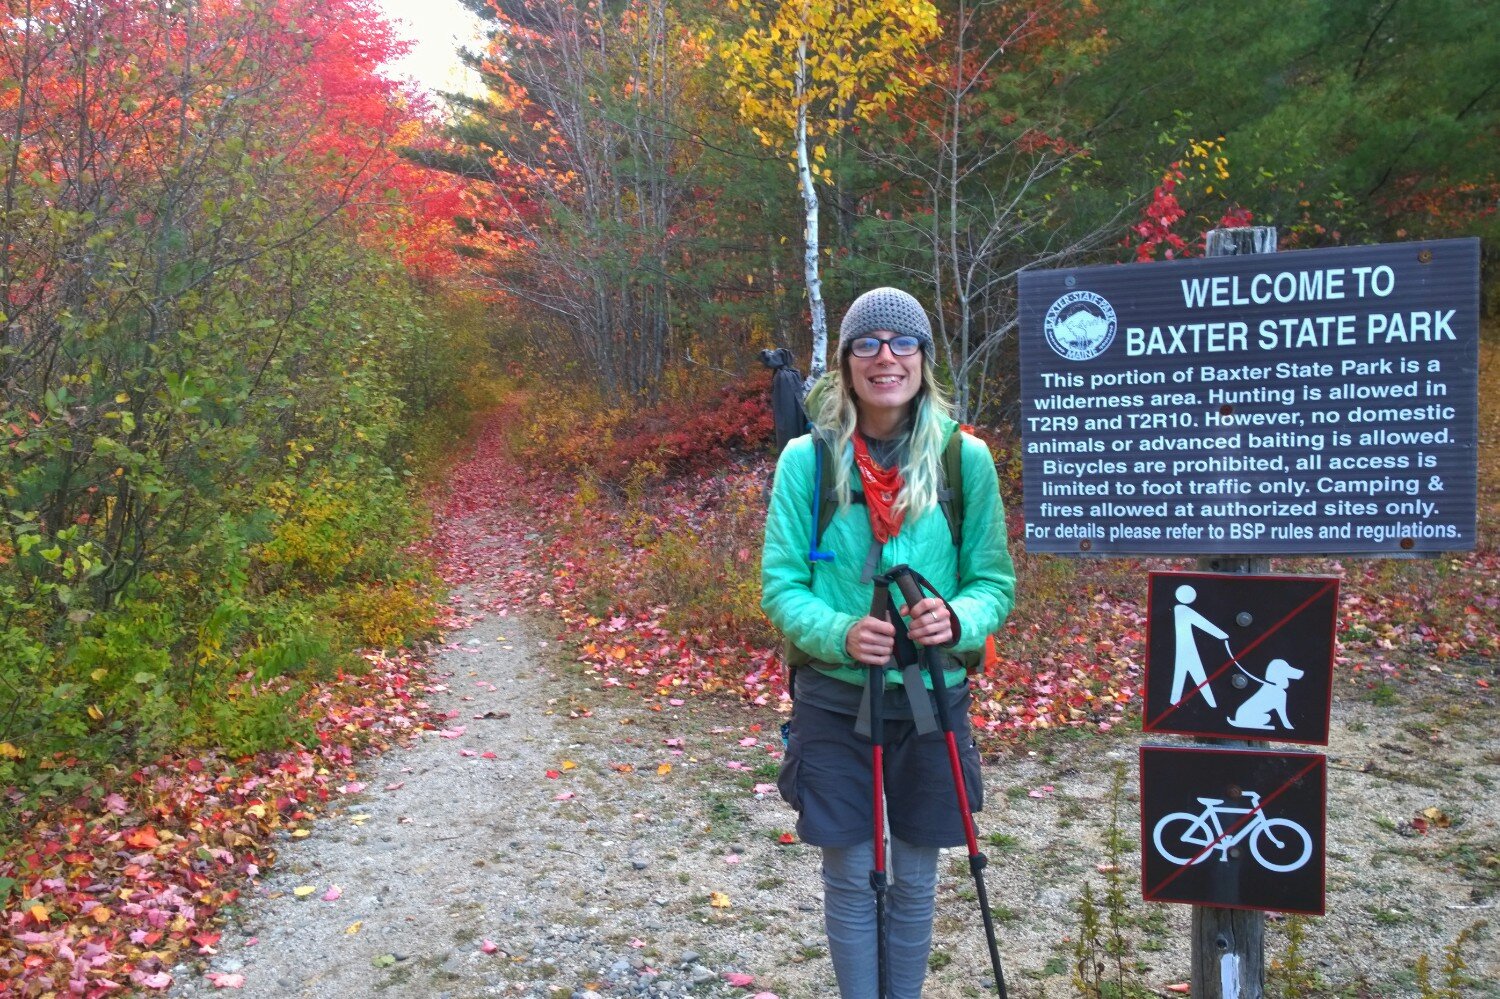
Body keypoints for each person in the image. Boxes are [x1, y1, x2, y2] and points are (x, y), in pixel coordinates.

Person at [761, 287, 1017, 998]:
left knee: (914, 875)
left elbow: (992, 581)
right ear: (844, 363)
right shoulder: (806, 462)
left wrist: (956, 619)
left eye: (902, 342)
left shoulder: (964, 459)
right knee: (848, 874)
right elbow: (781, 587)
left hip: (932, 697)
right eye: (866, 343)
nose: (885, 357)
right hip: (836, 699)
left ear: (924, 358)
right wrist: (842, 632)